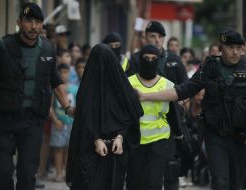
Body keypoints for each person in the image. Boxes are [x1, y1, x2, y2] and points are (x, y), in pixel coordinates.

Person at [138, 28, 246, 190]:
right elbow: (182, 90)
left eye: (239, 48)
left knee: (237, 183)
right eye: (231, 48)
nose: (236, 52)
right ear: (221, 48)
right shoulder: (210, 68)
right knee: (220, 182)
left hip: (241, 137)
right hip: (216, 135)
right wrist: (147, 96)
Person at [0, 3, 74, 190]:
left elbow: (56, 81)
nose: (33, 26)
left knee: (27, 174)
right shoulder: (1, 47)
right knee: (2, 172)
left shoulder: (48, 49)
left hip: (32, 121)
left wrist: (68, 108)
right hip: (3, 119)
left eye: (38, 22)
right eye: (28, 21)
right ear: (19, 22)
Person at [66, 44, 143, 190]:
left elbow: (131, 116)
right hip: (90, 150)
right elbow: (84, 119)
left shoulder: (122, 90)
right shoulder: (86, 91)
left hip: (116, 151)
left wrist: (120, 137)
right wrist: (96, 139)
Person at [128, 20, 188, 190]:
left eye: (160, 36)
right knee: (136, 178)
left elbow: (186, 89)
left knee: (166, 172)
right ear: (145, 38)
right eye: (152, 36)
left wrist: (181, 106)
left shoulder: (174, 60)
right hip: (137, 131)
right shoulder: (135, 60)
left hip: (167, 126)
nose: (156, 40)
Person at [126, 45, 174, 190]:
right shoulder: (128, 83)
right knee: (134, 183)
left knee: (154, 183)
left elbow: (175, 114)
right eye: (146, 58)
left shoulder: (167, 84)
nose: (149, 61)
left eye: (153, 59)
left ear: (158, 61)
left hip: (159, 140)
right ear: (140, 60)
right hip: (134, 140)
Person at [50, 63, 78, 182]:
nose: (63, 74)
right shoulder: (54, 88)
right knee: (58, 149)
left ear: (70, 73)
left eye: (65, 72)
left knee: (69, 149)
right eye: (60, 72)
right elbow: (49, 106)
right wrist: (55, 120)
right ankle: (58, 173)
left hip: (72, 123)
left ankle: (68, 172)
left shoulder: (75, 88)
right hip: (58, 123)